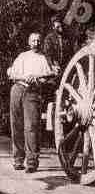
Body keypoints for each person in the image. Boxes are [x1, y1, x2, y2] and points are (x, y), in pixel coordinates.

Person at [7, 33, 57, 173]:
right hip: (17, 89)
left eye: (38, 41)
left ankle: (31, 162)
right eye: (33, 40)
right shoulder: (22, 56)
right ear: (29, 42)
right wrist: (23, 76)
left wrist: (38, 78)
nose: (36, 43)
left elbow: (51, 77)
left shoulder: (43, 59)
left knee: (31, 127)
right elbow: (11, 73)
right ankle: (18, 160)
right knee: (16, 125)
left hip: (32, 93)